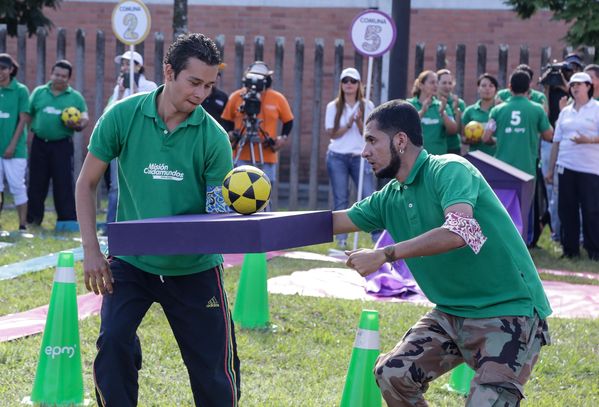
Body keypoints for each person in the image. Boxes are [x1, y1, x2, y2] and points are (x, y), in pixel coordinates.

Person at [333, 99, 552, 406]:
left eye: (371, 140)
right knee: (393, 373)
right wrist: (258, 215)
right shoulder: (390, 196)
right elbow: (333, 222)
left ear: (400, 141)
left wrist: (385, 254)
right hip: (452, 313)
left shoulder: (449, 169)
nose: (364, 151)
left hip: (511, 312)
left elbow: (461, 231)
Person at [75, 33, 240, 406]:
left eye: (209, 85)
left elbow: (216, 213)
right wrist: (92, 251)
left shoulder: (214, 139)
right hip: (132, 262)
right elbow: (86, 184)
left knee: (212, 370)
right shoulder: (122, 116)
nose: (201, 94)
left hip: (194, 267)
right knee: (113, 342)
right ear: (169, 71)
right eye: (194, 82)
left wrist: (235, 210)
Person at [545, 72, 599, 260]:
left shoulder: (596, 108)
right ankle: (570, 249)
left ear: (589, 86)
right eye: (573, 84)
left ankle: (594, 250)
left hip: (590, 169)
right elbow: (556, 141)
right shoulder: (566, 112)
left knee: (591, 209)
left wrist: (589, 140)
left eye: (580, 84)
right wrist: (551, 169)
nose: (575, 87)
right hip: (565, 166)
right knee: (566, 209)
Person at [28, 60, 89, 226]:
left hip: (61, 145)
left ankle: (66, 220)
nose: (59, 78)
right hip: (39, 143)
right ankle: (33, 219)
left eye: (63, 76)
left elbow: (84, 118)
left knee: (63, 182)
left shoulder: (75, 97)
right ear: (51, 74)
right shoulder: (39, 92)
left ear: (69, 78)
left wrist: (78, 125)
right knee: (36, 182)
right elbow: (27, 114)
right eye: (56, 74)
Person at [324, 67, 376, 249]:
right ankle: (341, 240)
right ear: (341, 84)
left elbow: (370, 134)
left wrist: (360, 121)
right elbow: (332, 133)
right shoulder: (333, 106)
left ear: (359, 84)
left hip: (359, 156)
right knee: (341, 198)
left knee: (369, 196)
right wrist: (348, 123)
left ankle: (376, 237)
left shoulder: (367, 105)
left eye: (353, 81)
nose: (349, 84)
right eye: (345, 81)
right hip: (337, 155)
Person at [221, 61, 293, 187]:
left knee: (263, 192)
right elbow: (225, 120)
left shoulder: (277, 98)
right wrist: (230, 133)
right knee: (237, 190)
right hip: (241, 154)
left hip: (267, 155)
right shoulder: (236, 96)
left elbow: (289, 121)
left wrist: (283, 137)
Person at [105, 51, 158, 224]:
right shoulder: (118, 86)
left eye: (129, 63)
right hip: (120, 141)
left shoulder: (149, 86)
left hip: (141, 143)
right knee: (115, 186)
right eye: (123, 64)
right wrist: (120, 93)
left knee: (141, 183)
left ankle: (139, 222)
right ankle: (111, 224)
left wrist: (135, 91)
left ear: (139, 66)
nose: (125, 67)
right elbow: (109, 114)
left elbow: (150, 112)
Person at [0, 53, 29, 231]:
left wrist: (12, 145)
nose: (0, 72)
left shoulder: (20, 90)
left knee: (17, 186)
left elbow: (23, 119)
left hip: (14, 150)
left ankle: (22, 226)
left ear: (11, 69)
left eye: (3, 68)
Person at [407, 70, 457, 155]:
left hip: (438, 159)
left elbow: (453, 131)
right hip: (415, 158)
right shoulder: (409, 104)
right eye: (432, 82)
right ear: (421, 85)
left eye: (437, 82)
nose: (435, 85)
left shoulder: (442, 105)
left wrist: (442, 113)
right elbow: (405, 126)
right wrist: (422, 111)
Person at [461, 73, 498, 156]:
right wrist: (469, 139)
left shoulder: (499, 111)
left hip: (496, 158)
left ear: (495, 90)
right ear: (478, 88)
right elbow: (462, 137)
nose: (487, 89)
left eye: (491, 86)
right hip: (476, 157)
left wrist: (491, 140)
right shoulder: (469, 111)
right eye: (483, 86)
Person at [436, 69, 465, 154]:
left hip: (453, 147)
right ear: (436, 84)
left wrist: (456, 110)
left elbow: (460, 131)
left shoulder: (459, 103)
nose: (447, 86)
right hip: (436, 148)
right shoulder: (431, 103)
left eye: (450, 83)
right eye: (444, 83)